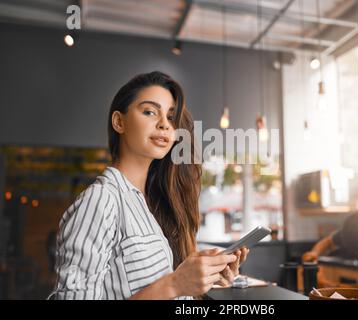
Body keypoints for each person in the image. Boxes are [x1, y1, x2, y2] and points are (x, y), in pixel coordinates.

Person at [49, 71, 248, 300]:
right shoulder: (101, 200)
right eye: (150, 112)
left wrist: (201, 277)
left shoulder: (150, 204)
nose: (164, 124)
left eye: (171, 117)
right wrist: (174, 285)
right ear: (119, 122)